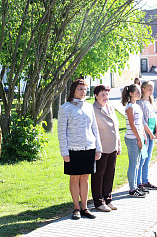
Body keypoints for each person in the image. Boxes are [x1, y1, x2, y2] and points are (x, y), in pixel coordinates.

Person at [58, 79, 102, 220]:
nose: (83, 92)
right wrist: (64, 152)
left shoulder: (89, 107)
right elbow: (61, 132)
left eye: (85, 90)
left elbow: (94, 128)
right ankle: (76, 208)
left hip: (89, 147)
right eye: (80, 89)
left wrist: (98, 148)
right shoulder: (65, 108)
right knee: (74, 179)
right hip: (73, 149)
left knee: (85, 179)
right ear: (73, 90)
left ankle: (85, 208)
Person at [91, 85, 121, 212]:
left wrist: (118, 144)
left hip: (112, 146)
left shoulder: (111, 108)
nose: (105, 97)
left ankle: (108, 198)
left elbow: (116, 127)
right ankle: (98, 201)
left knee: (110, 174)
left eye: (107, 94)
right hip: (100, 148)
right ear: (96, 96)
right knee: (99, 174)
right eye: (102, 95)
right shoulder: (93, 109)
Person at [121, 84, 147, 198]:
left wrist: (144, 136)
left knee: (137, 164)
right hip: (132, 139)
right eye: (137, 92)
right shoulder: (130, 107)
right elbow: (132, 125)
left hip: (139, 137)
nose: (139, 94)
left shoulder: (137, 106)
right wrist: (139, 139)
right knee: (133, 164)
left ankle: (135, 186)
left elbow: (140, 123)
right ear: (131, 94)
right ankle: (132, 189)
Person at [137, 81, 157, 192]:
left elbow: (153, 117)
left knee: (148, 158)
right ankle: (139, 182)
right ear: (144, 89)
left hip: (151, 134)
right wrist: (149, 133)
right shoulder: (140, 103)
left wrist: (156, 129)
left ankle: (145, 180)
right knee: (142, 158)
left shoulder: (150, 102)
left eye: (152, 89)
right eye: (149, 89)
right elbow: (143, 121)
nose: (151, 91)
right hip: (145, 135)